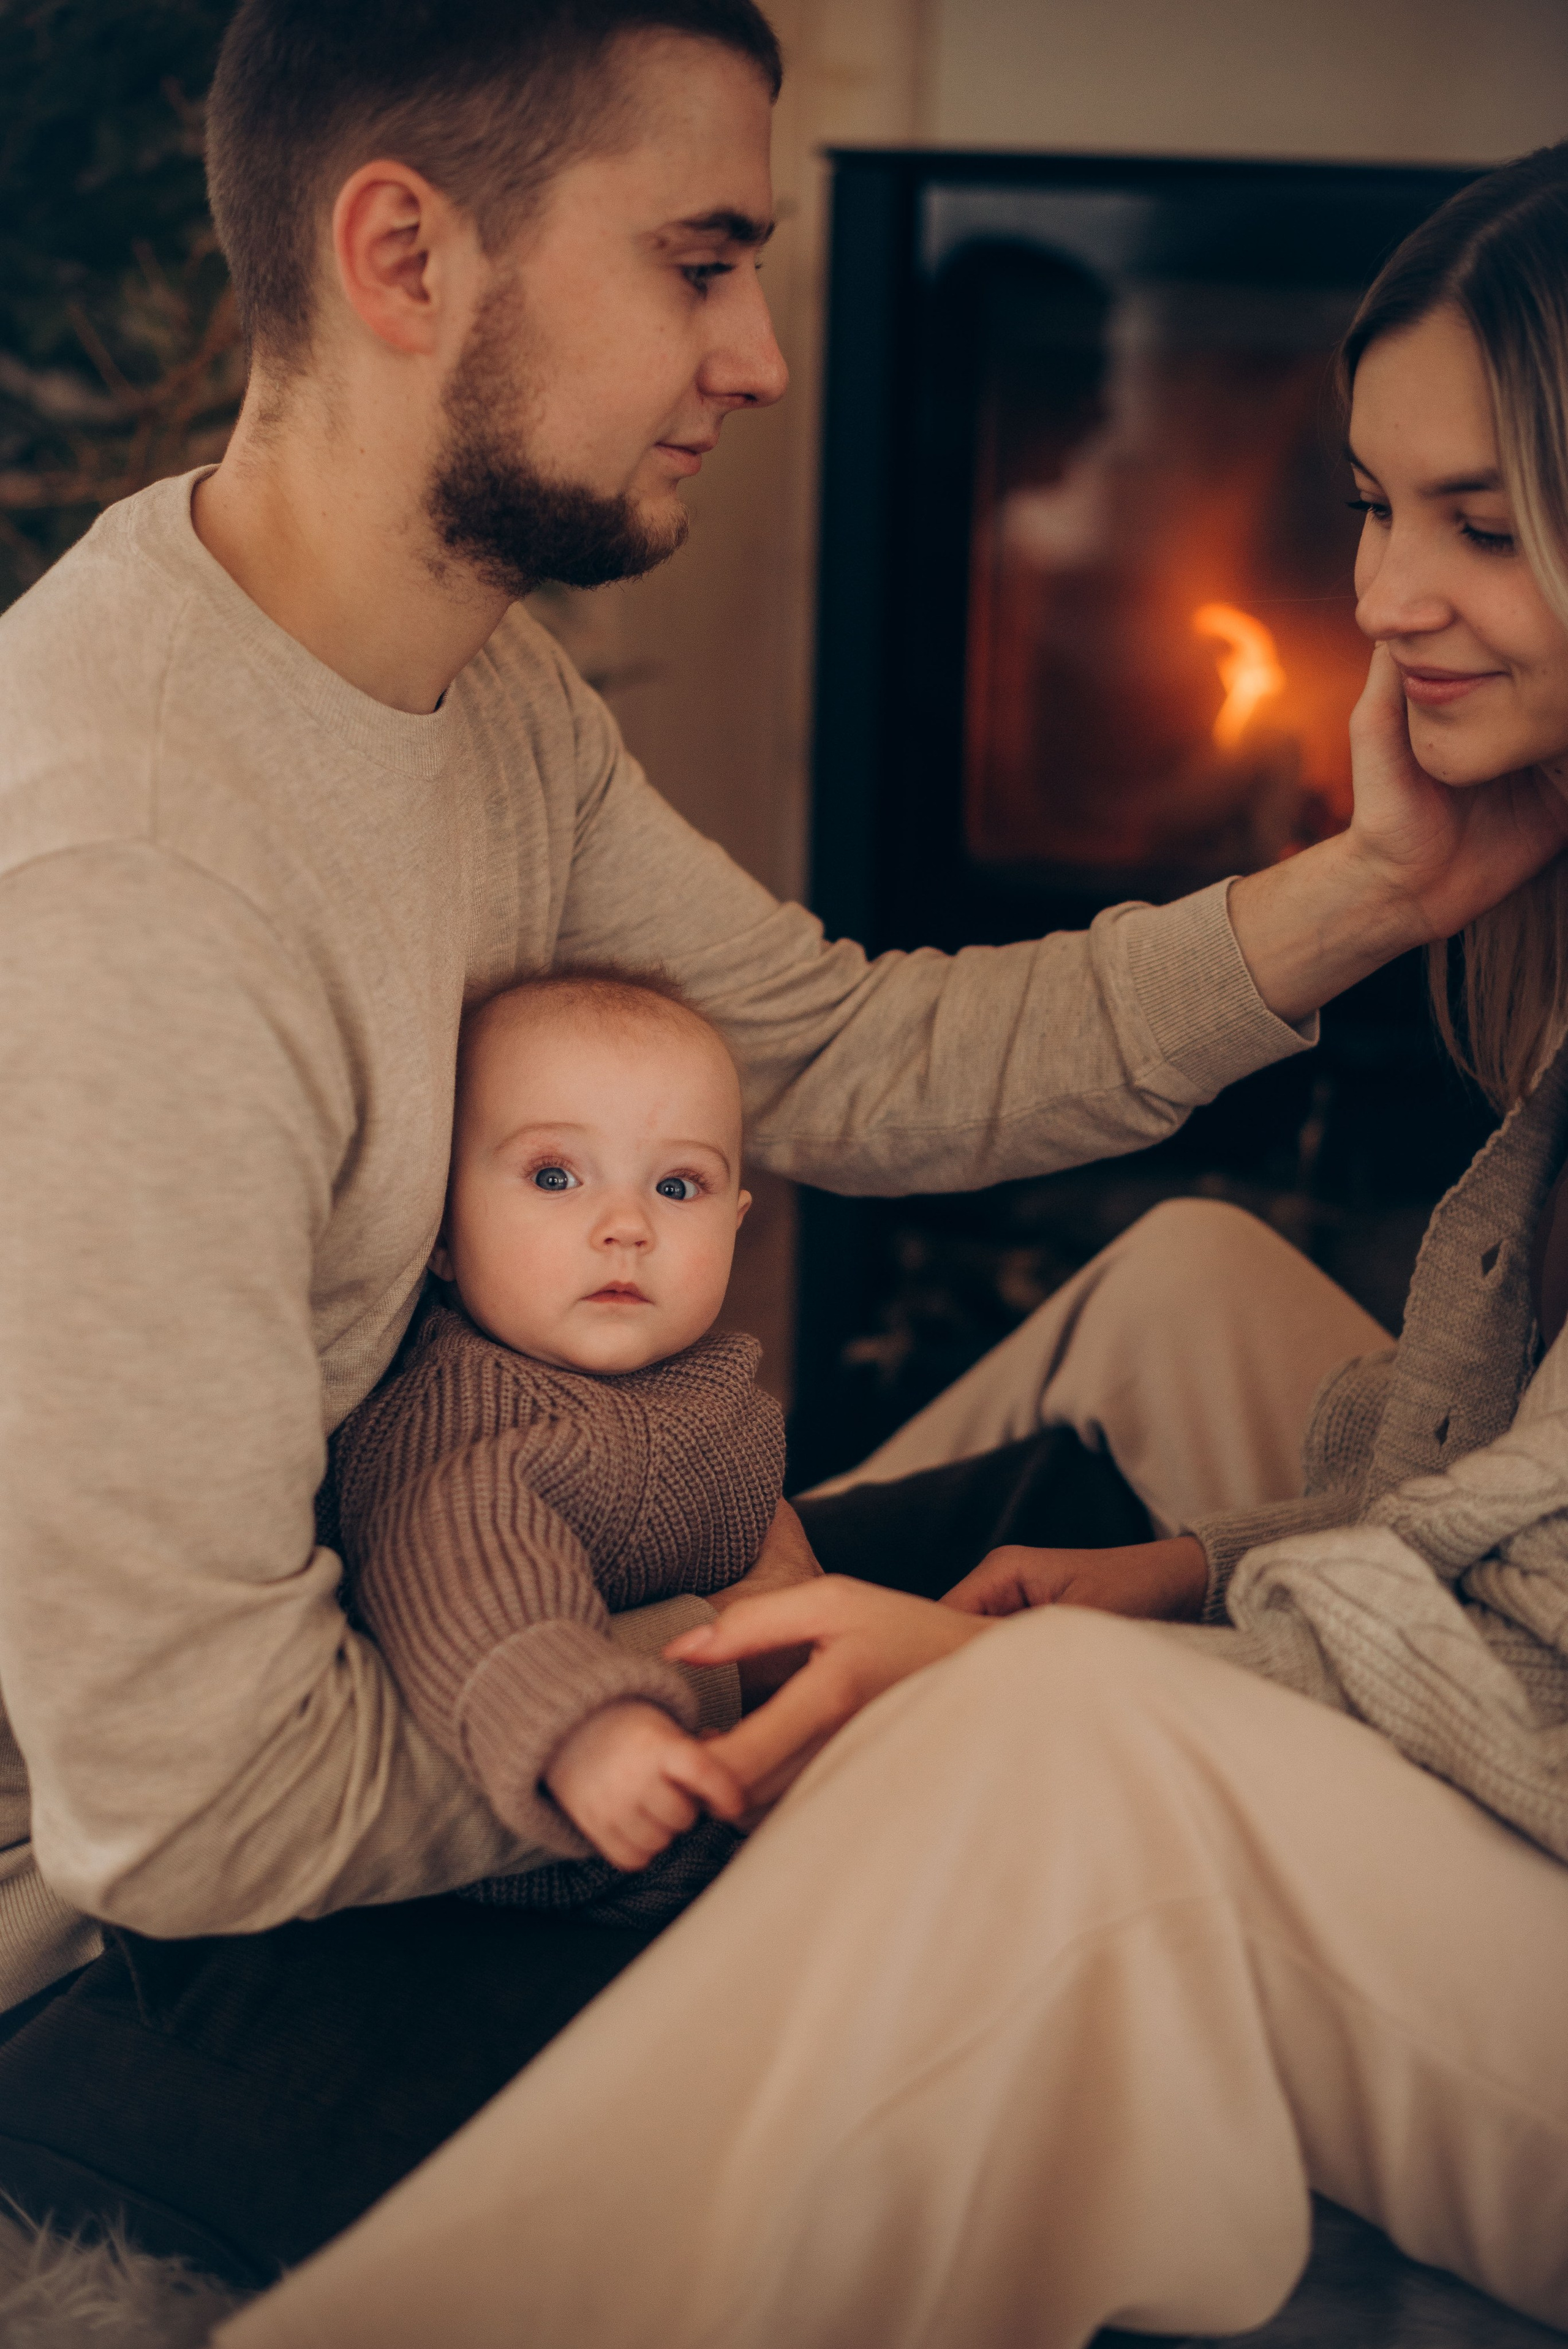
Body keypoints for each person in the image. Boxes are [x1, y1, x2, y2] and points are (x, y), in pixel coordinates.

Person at [0, 0, 1559, 2293]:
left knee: (1161, 1342)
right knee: (1013, 1749)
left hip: (500, 1677)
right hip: (202, 1933)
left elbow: (840, 1056)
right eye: (702, 258)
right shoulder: (131, 886)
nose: (760, 354)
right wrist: (737, 1689)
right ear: (405, 257)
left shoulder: (469, 688)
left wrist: (1383, 887)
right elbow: (200, 1804)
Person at [334, 965, 783, 1914]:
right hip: (577, 1878)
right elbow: (470, 1575)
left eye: (677, 1184)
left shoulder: (702, 1380)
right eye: (553, 1176)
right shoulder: (468, 1417)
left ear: (737, 1221)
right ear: (442, 1230)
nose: (626, 1226)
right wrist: (588, 1728)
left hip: (731, 1809)